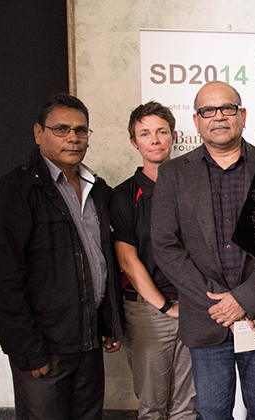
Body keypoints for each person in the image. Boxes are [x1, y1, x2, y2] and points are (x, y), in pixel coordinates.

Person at [150, 81, 255, 420]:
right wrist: (217, 300)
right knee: (212, 413)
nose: (219, 117)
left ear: (242, 115)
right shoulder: (173, 175)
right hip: (206, 314)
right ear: (197, 121)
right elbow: (165, 246)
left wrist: (243, 299)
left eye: (228, 108)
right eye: (208, 110)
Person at [0, 93, 123, 419]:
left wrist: (109, 323)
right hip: (45, 349)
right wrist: (29, 351)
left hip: (89, 345)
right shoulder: (13, 192)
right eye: (61, 129)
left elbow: (101, 262)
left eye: (81, 130)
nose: (73, 137)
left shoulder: (97, 190)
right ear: (38, 133)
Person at [110, 101, 197, 419]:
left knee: (187, 404)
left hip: (194, 307)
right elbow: (128, 259)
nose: (155, 139)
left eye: (161, 131)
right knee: (152, 406)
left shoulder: (192, 186)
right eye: (145, 133)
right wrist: (163, 306)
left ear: (173, 136)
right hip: (148, 312)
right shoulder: (124, 195)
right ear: (135, 142)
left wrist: (194, 301)